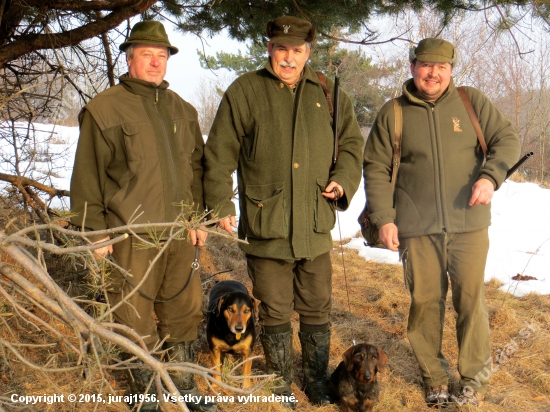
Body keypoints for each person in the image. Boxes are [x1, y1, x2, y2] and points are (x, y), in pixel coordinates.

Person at [203, 16, 364, 407]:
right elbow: (219, 151)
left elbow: (353, 145)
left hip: (314, 220)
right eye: (281, 49)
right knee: (274, 308)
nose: (288, 59)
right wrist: (222, 202)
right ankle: (279, 382)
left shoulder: (327, 91)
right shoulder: (245, 91)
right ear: (269, 49)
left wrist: (342, 179)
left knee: (315, 305)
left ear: (307, 52)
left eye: (296, 51)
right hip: (266, 222)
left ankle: (314, 382)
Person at [363, 38, 520, 407]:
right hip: (417, 228)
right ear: (413, 67)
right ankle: (433, 377)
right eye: (425, 66)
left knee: (471, 302)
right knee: (425, 303)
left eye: (441, 67)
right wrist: (384, 219)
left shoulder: (471, 102)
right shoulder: (394, 113)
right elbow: (375, 169)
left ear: (451, 70)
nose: (433, 73)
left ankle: (473, 381)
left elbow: (507, 140)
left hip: (469, 224)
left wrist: (490, 176)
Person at [70, 21, 215, 412]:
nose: (155, 63)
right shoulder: (104, 109)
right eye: (147, 55)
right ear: (129, 58)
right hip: (130, 235)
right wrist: (95, 233)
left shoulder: (183, 110)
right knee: (133, 316)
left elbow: (198, 170)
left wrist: (200, 219)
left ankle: (183, 384)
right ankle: (145, 393)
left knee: (184, 312)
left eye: (161, 56)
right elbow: (86, 176)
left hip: (180, 232)